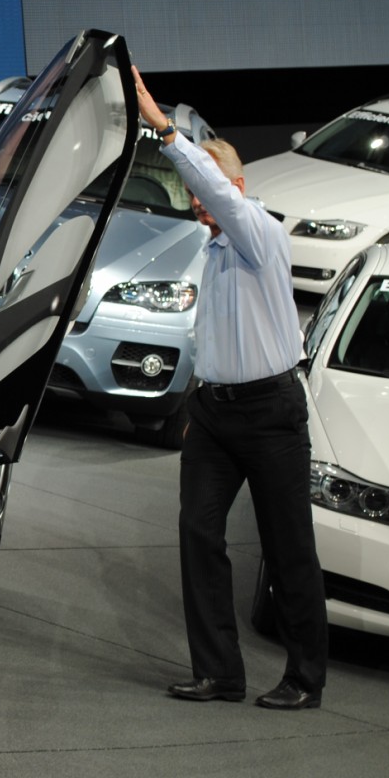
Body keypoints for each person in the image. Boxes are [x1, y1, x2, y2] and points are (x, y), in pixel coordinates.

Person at [133, 66, 327, 711]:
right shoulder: (212, 251)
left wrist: (165, 131)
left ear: (235, 190)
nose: (198, 203)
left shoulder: (259, 233)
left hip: (271, 413)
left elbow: (215, 188)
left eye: (207, 191)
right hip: (215, 416)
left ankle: (305, 679)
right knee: (198, 534)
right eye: (193, 196)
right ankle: (220, 672)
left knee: (288, 548)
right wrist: (201, 396)